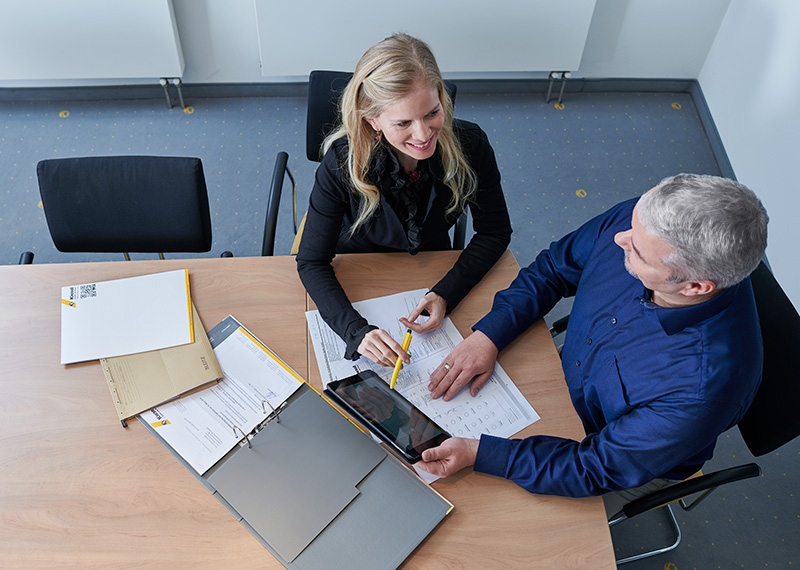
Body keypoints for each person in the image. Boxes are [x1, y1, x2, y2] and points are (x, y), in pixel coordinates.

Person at [416, 174, 769, 501]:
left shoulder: (702, 388)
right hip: (561, 379)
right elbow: (554, 268)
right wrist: (490, 335)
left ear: (693, 287)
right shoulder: (648, 222)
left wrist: (482, 455)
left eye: (638, 252)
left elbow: (595, 467)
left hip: (613, 456)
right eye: (632, 226)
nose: (619, 240)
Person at [296, 34, 512, 367]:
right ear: (373, 121)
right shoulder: (341, 162)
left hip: (431, 263)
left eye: (432, 113)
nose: (424, 135)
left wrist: (446, 293)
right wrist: (355, 331)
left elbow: (495, 232)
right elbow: (311, 262)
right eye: (403, 123)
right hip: (358, 267)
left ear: (441, 95)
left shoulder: (472, 144)